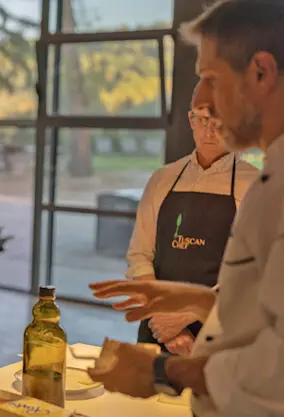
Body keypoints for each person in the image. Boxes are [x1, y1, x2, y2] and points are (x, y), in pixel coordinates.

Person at [87, 1, 284, 415]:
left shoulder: (272, 188)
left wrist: (168, 371)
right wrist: (192, 300)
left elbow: (275, 363)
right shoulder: (271, 176)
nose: (202, 101)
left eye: (210, 78)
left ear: (260, 73)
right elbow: (264, 314)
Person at [126, 97, 258, 355]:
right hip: (157, 332)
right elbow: (139, 257)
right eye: (203, 121)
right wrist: (166, 323)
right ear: (191, 121)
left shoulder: (256, 185)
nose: (210, 132)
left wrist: (186, 316)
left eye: (220, 123)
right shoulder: (162, 179)